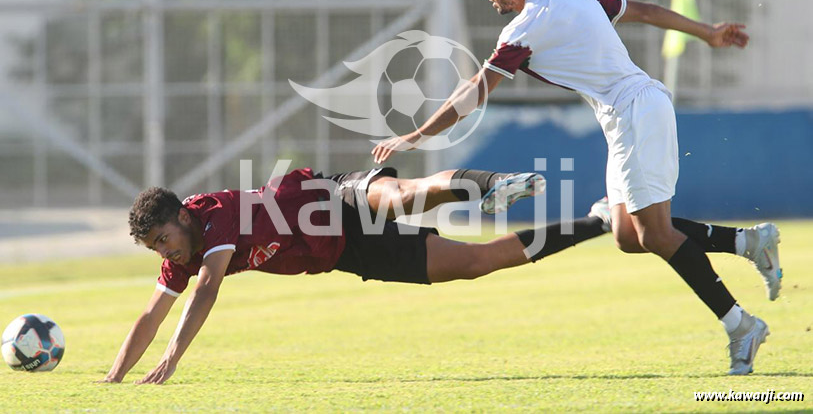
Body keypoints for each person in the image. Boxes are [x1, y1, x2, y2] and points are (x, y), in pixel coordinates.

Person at [371, 0, 780, 375]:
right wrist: (706, 32)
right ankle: (748, 241)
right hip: (630, 111)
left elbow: (474, 93)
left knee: (656, 234)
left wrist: (416, 135)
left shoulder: (525, 28)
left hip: (634, 112)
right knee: (627, 234)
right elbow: (644, 11)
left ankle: (740, 325)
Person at [100, 166, 611, 385]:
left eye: (162, 239)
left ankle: (496, 184)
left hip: (329, 198)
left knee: (402, 194)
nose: (163, 252)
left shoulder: (214, 221)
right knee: (477, 263)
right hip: (349, 252)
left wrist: (172, 358)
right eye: (153, 248)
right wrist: (115, 378)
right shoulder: (180, 253)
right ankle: (600, 220)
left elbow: (208, 290)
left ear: (183, 218)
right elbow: (151, 313)